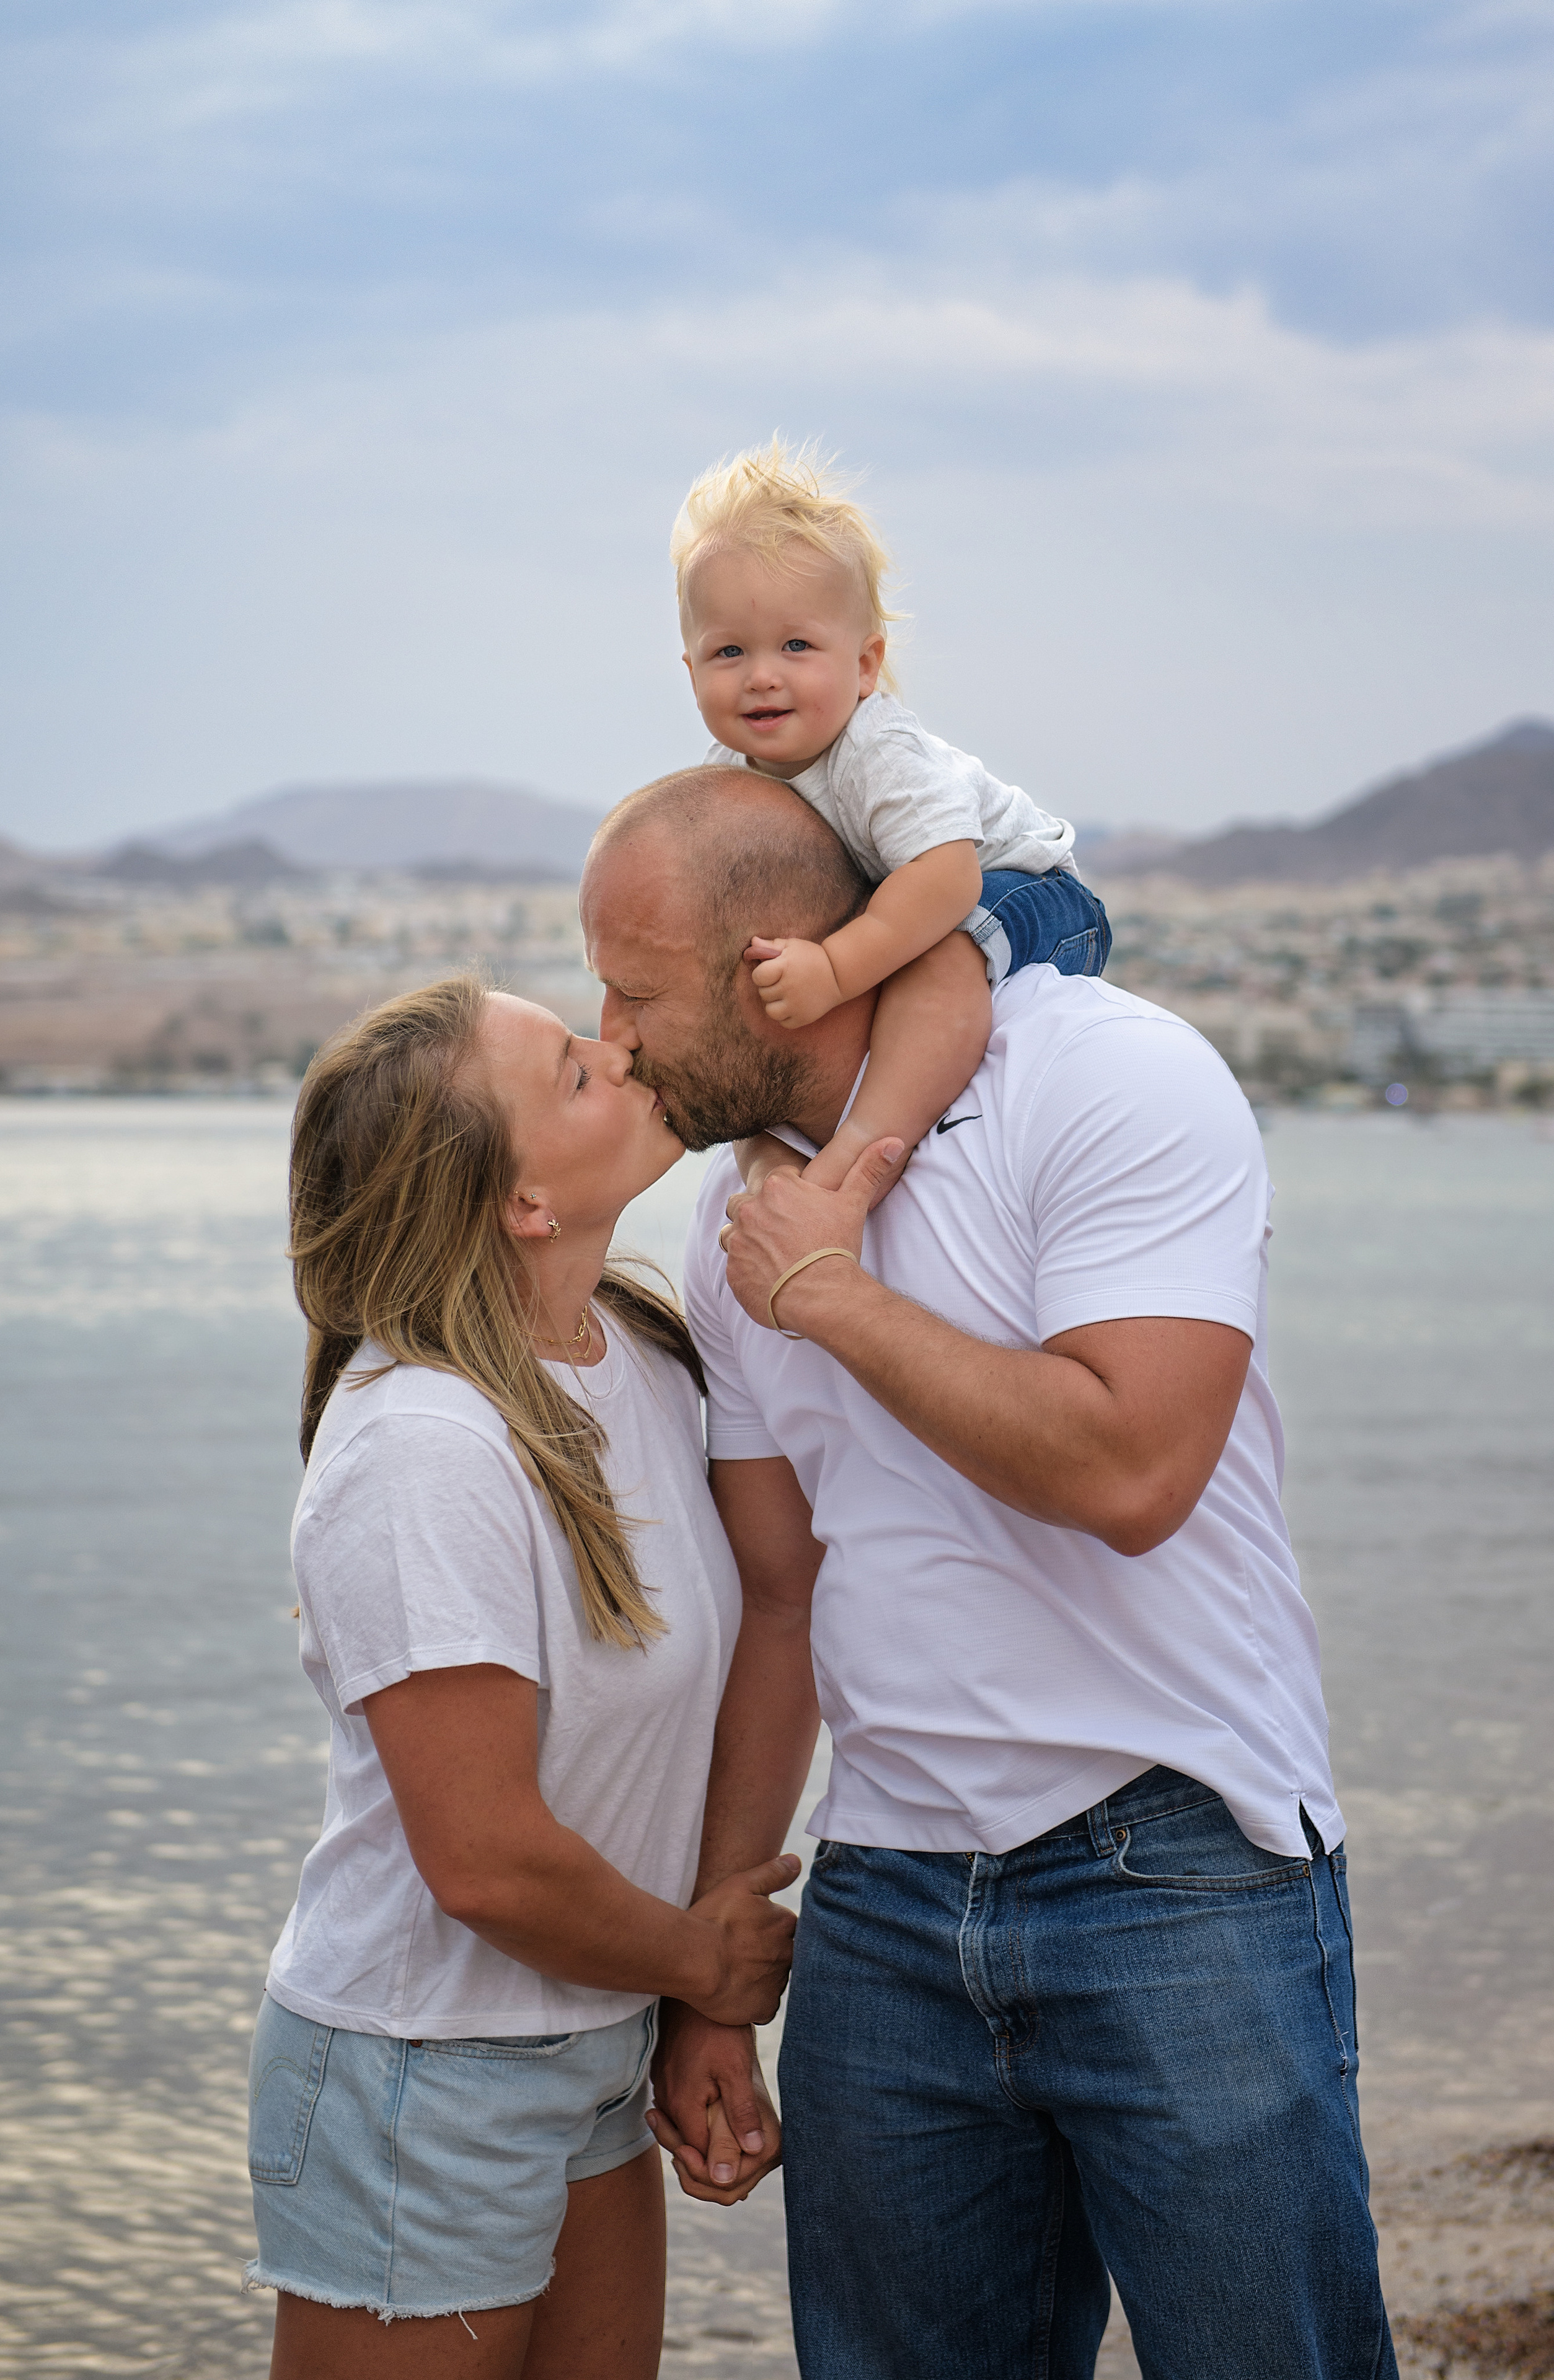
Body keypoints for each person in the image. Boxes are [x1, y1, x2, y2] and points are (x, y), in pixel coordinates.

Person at [580, 773, 1400, 2380]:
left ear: (775, 962)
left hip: (1182, 1862)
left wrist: (834, 1296)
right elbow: (778, 1602)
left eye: (634, 991)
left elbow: (1131, 1474)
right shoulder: (725, 1224)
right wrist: (712, 1978)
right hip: (884, 1903)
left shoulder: (1108, 1082)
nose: (610, 1040)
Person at [244, 972, 800, 2380]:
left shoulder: (647, 1360)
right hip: (422, 2068)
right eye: (569, 1073)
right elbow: (483, 1857)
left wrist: (687, 2007)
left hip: (593, 2034)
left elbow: (768, 1637)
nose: (618, 1048)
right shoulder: (424, 1443)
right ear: (521, 1203)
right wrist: (701, 1958)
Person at [672, 436, 1110, 1195]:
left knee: (941, 949)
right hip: (896, 905)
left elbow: (947, 878)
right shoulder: (727, 783)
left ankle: (862, 1158)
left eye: (797, 645)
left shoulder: (879, 752)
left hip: (1029, 891)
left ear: (866, 664)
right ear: (691, 669)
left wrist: (838, 968)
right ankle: (769, 1157)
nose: (762, 676)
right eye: (729, 652)